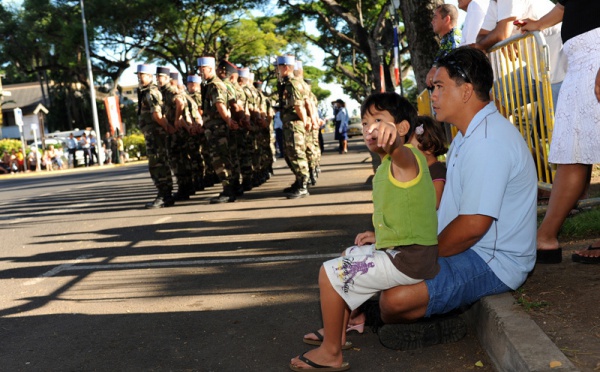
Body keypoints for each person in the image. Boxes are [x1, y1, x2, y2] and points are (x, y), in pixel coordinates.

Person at [349, 47, 538, 351]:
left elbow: (474, 226)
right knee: (369, 260)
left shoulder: (488, 141)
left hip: (494, 260)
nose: (431, 95)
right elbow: (451, 212)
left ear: (465, 91)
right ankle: (428, 312)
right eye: (431, 88)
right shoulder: (467, 134)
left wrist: (416, 255)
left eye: (438, 87)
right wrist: (396, 240)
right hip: (471, 248)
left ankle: (393, 316)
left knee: (395, 299)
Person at [290, 92, 439, 371]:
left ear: (403, 128)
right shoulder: (385, 164)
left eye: (379, 120)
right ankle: (339, 329)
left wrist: (394, 142)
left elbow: (401, 154)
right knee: (349, 254)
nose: (370, 127)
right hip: (402, 250)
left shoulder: (407, 159)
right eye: (366, 121)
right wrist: (378, 236)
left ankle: (331, 351)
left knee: (330, 272)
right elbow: (404, 211)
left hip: (410, 258)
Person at [516, 0, 600, 264]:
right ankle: (546, 237)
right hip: (576, 62)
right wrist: (538, 24)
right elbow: (567, 6)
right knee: (570, 152)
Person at [198, 56, 239, 204]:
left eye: (202, 69)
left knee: (220, 160)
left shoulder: (214, 85)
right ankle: (230, 188)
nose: (200, 72)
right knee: (223, 158)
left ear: (210, 69)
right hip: (214, 127)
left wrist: (228, 120)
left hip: (218, 128)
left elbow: (220, 105)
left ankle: (229, 190)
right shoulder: (209, 84)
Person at [136, 63, 176, 209]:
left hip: (156, 133)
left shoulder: (151, 92)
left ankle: (165, 195)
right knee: (156, 163)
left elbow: (157, 114)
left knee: (158, 163)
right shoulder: (145, 91)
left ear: (150, 76)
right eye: (139, 75)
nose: (140, 78)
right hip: (152, 133)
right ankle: (165, 194)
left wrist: (167, 127)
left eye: (143, 75)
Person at [277, 55, 311, 199]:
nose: (277, 70)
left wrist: (305, 120)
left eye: (278, 67)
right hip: (292, 123)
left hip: (294, 124)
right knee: (292, 153)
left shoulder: (292, 83)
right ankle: (299, 182)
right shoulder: (296, 82)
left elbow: (298, 105)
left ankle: (303, 185)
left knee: (297, 153)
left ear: (285, 67)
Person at [410, 116, 448, 209]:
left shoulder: (437, 171)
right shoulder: (422, 170)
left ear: (429, 147)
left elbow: (434, 202)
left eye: (410, 147)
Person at [426, 4, 462, 88]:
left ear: (446, 19)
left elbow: (454, 64)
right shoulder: (447, 39)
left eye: (435, 17)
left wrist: (435, 68)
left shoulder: (454, 37)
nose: (432, 21)